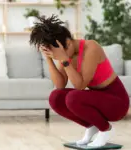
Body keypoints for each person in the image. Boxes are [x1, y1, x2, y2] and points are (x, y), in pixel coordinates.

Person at [30, 15, 129, 147]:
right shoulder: (66, 53)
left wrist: (64, 60)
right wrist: (49, 59)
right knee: (56, 97)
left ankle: (106, 130)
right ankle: (92, 126)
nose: (59, 57)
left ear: (69, 42)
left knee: (73, 97)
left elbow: (80, 86)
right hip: (98, 99)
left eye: (59, 53)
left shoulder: (91, 48)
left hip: (116, 103)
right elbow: (60, 85)